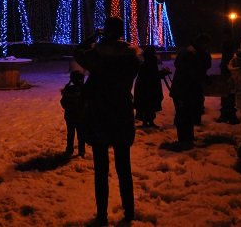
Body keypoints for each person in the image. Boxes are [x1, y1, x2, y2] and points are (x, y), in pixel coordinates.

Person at [74, 17, 142, 225]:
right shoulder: (131, 56)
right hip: (121, 112)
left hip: (100, 114)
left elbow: (78, 53)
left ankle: (102, 215)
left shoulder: (96, 55)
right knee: (124, 167)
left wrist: (95, 36)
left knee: (100, 169)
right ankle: (129, 212)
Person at [170, 33, 212, 150]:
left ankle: (188, 137)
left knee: (188, 114)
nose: (207, 46)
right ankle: (184, 139)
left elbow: (203, 67)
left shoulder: (197, 53)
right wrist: (203, 78)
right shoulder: (190, 53)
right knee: (183, 115)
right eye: (205, 44)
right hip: (183, 90)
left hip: (189, 90)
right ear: (200, 43)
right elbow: (191, 71)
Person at [133, 46, 171, 128]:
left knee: (145, 104)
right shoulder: (151, 61)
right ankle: (149, 121)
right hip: (150, 87)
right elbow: (153, 75)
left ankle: (147, 121)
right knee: (149, 104)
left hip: (143, 86)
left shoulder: (144, 61)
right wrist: (163, 73)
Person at [60, 70, 86, 158]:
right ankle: (81, 151)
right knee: (81, 134)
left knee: (70, 134)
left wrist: (68, 108)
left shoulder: (68, 90)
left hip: (70, 116)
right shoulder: (84, 90)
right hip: (81, 117)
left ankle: (69, 149)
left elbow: (63, 102)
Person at [217, 27, 240, 124]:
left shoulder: (227, 44)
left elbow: (227, 58)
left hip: (227, 71)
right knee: (228, 92)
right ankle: (228, 113)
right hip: (227, 70)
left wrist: (225, 65)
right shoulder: (228, 44)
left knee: (227, 92)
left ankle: (227, 113)